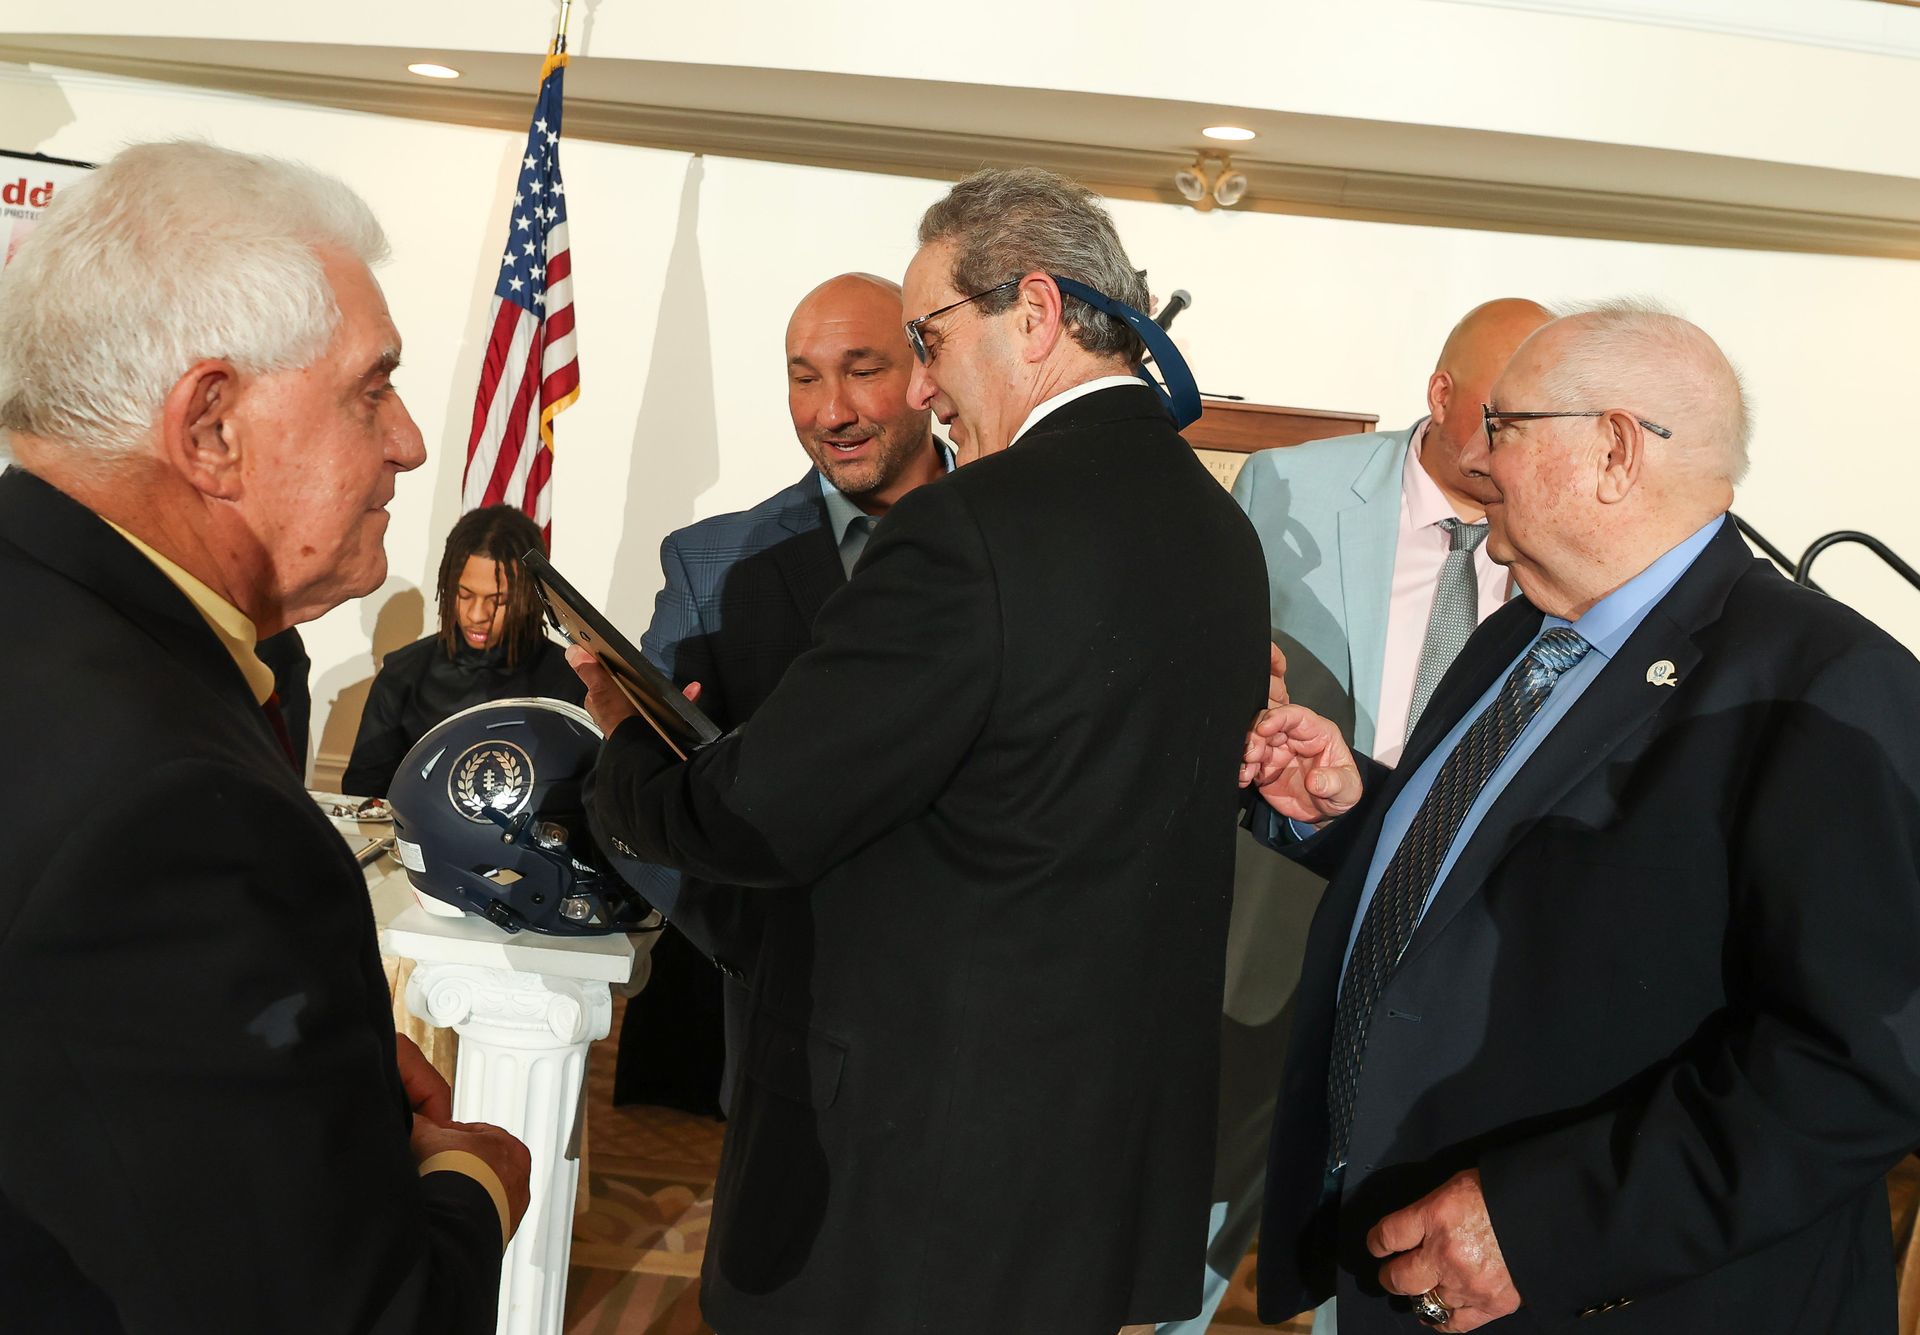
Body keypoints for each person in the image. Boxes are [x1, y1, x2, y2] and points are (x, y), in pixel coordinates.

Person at [572, 166, 1269, 1334]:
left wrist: (625, 743)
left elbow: (756, 812)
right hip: (1098, 1171)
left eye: (929, 340)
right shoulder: (1217, 529)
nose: (924, 388)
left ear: (1035, 312)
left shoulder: (972, 529)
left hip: (921, 1185)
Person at [1241, 301, 1920, 1333]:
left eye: (1505, 426)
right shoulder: (1523, 630)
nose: (1477, 458)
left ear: (1614, 450)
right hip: (1412, 1272)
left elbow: (1856, 1065)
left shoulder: (1827, 686)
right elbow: (1520, 880)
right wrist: (1355, 812)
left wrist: (1544, 1226)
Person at [0, 140, 531, 1333]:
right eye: (371, 389)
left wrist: (303, 1073)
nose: (409, 441)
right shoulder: (175, 808)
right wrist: (474, 1184)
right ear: (212, 430)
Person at [1165, 298, 1549, 1335]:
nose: (1517, 443)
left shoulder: (1557, 536)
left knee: (1390, 1247)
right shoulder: (1289, 484)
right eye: (1499, 416)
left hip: (1437, 964)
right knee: (1185, 1226)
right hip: (1267, 928)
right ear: (1440, 394)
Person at [612, 272, 947, 1117]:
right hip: (788, 1050)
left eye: (862, 370)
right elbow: (645, 798)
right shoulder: (712, 565)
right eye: (804, 378)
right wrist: (760, 946)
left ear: (926, 371)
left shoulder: (1022, 536)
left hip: (978, 1044)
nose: (831, 411)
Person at [342, 503, 583, 797]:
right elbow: (364, 796)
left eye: (498, 601)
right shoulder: (403, 676)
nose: (476, 615)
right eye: (464, 594)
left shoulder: (571, 682)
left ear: (531, 595)